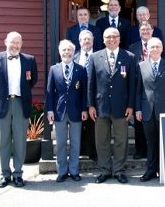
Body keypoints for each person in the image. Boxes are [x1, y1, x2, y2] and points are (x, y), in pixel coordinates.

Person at [0, 31, 38, 188]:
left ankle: (18, 174)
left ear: (21, 44)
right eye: (12, 42)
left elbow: (32, 80)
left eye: (18, 42)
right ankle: (5, 174)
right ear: (5, 42)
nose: (15, 45)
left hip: (21, 103)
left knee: (20, 140)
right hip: (3, 104)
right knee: (3, 141)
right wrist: (1, 92)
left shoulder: (29, 60)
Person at [87, 27, 136, 184]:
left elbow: (132, 84)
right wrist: (90, 105)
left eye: (115, 36)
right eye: (108, 37)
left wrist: (130, 105)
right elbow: (90, 83)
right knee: (102, 140)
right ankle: (105, 170)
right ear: (103, 39)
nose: (112, 39)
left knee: (121, 140)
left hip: (121, 106)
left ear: (119, 39)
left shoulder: (129, 57)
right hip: (101, 106)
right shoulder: (95, 57)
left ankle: (119, 170)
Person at [135, 37, 165, 182]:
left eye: (157, 47)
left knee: (164, 142)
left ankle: (164, 170)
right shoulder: (141, 66)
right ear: (147, 49)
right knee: (151, 142)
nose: (154, 49)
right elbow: (138, 90)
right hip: (147, 110)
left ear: (161, 49)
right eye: (151, 47)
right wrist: (138, 110)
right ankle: (151, 170)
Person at [45, 39, 88, 183]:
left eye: (69, 50)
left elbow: (84, 92)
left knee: (76, 143)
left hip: (76, 111)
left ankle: (74, 171)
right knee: (61, 143)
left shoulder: (81, 69)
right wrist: (50, 109)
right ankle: (62, 171)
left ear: (73, 52)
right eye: (64, 50)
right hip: (59, 111)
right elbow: (50, 91)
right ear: (60, 52)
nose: (66, 52)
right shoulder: (54, 69)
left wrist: (84, 109)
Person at [128, 21, 165, 159]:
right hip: (138, 86)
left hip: (154, 87)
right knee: (139, 122)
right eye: (143, 30)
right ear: (139, 32)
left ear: (152, 31)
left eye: (148, 29)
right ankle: (140, 150)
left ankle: (157, 153)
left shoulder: (158, 45)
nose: (145, 32)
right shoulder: (132, 47)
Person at [73, 30, 97, 161]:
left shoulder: (99, 55)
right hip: (77, 96)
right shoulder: (74, 56)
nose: (86, 41)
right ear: (79, 41)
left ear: (93, 41)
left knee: (93, 126)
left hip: (94, 96)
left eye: (89, 39)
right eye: (84, 39)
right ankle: (81, 150)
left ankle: (93, 152)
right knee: (78, 124)